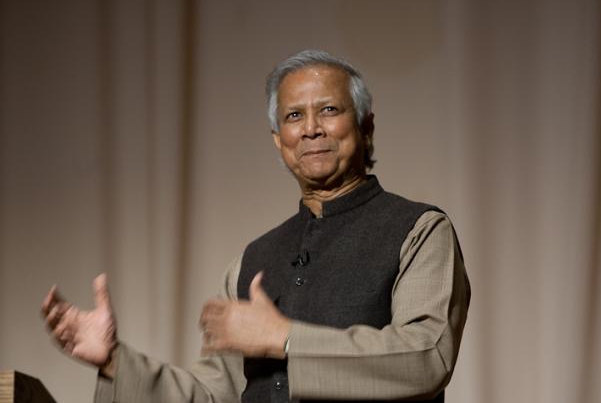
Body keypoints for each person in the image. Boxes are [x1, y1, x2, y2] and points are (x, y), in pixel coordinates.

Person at [41, 49, 471, 402]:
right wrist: (115, 361)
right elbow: (212, 394)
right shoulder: (251, 261)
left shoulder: (420, 230)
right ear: (277, 139)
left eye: (328, 110)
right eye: (294, 117)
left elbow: (426, 355)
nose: (311, 130)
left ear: (365, 125)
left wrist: (285, 338)